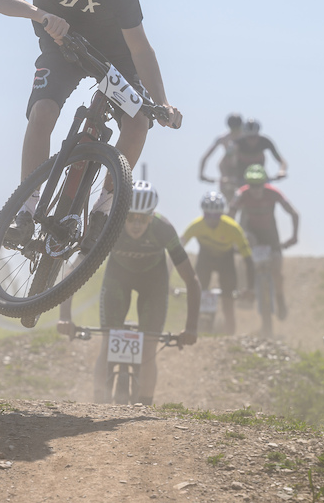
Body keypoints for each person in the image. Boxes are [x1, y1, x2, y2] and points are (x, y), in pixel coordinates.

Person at [0, 0, 182, 248]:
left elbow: (140, 48)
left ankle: (104, 208)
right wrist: (40, 16)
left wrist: (163, 103)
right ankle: (27, 211)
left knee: (138, 122)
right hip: (61, 48)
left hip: (113, 59)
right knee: (43, 112)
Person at [57, 181, 200, 405]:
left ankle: (145, 407)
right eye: (131, 216)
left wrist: (191, 327)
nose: (135, 224)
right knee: (108, 343)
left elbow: (191, 281)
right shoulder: (108, 225)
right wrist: (65, 316)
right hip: (117, 281)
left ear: (152, 216)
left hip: (154, 284)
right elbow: (73, 271)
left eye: (142, 219)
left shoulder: (164, 229)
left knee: (148, 348)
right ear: (122, 213)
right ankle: (98, 405)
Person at [229, 165, 299, 324]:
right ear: (247, 184)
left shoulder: (274, 193)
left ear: (264, 183)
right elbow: (230, 215)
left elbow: (294, 213)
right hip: (251, 233)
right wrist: (230, 238)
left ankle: (280, 299)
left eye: (259, 185)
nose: (255, 189)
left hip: (270, 236)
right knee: (245, 262)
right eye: (252, 185)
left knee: (276, 270)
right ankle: (248, 292)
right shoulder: (241, 194)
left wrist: (294, 236)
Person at [179, 191, 253, 336]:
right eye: (208, 215)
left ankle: (230, 340)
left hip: (226, 262)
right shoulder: (196, 225)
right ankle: (192, 331)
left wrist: (250, 287)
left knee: (228, 303)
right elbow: (176, 250)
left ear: (221, 214)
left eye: (216, 216)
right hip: (205, 260)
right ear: (203, 213)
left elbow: (248, 260)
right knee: (196, 295)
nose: (212, 220)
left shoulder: (233, 228)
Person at [199, 114, 250, 198]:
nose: (235, 132)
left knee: (245, 195)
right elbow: (206, 157)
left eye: (237, 129)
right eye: (233, 129)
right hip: (226, 168)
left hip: (241, 168)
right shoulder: (223, 138)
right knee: (228, 194)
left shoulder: (246, 137)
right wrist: (201, 174)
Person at [230, 119, 288, 183]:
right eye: (249, 137)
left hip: (261, 177)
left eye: (254, 137)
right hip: (241, 177)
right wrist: (228, 175)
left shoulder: (265, 141)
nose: (252, 140)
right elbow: (226, 160)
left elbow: (281, 161)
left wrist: (281, 171)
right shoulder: (237, 143)